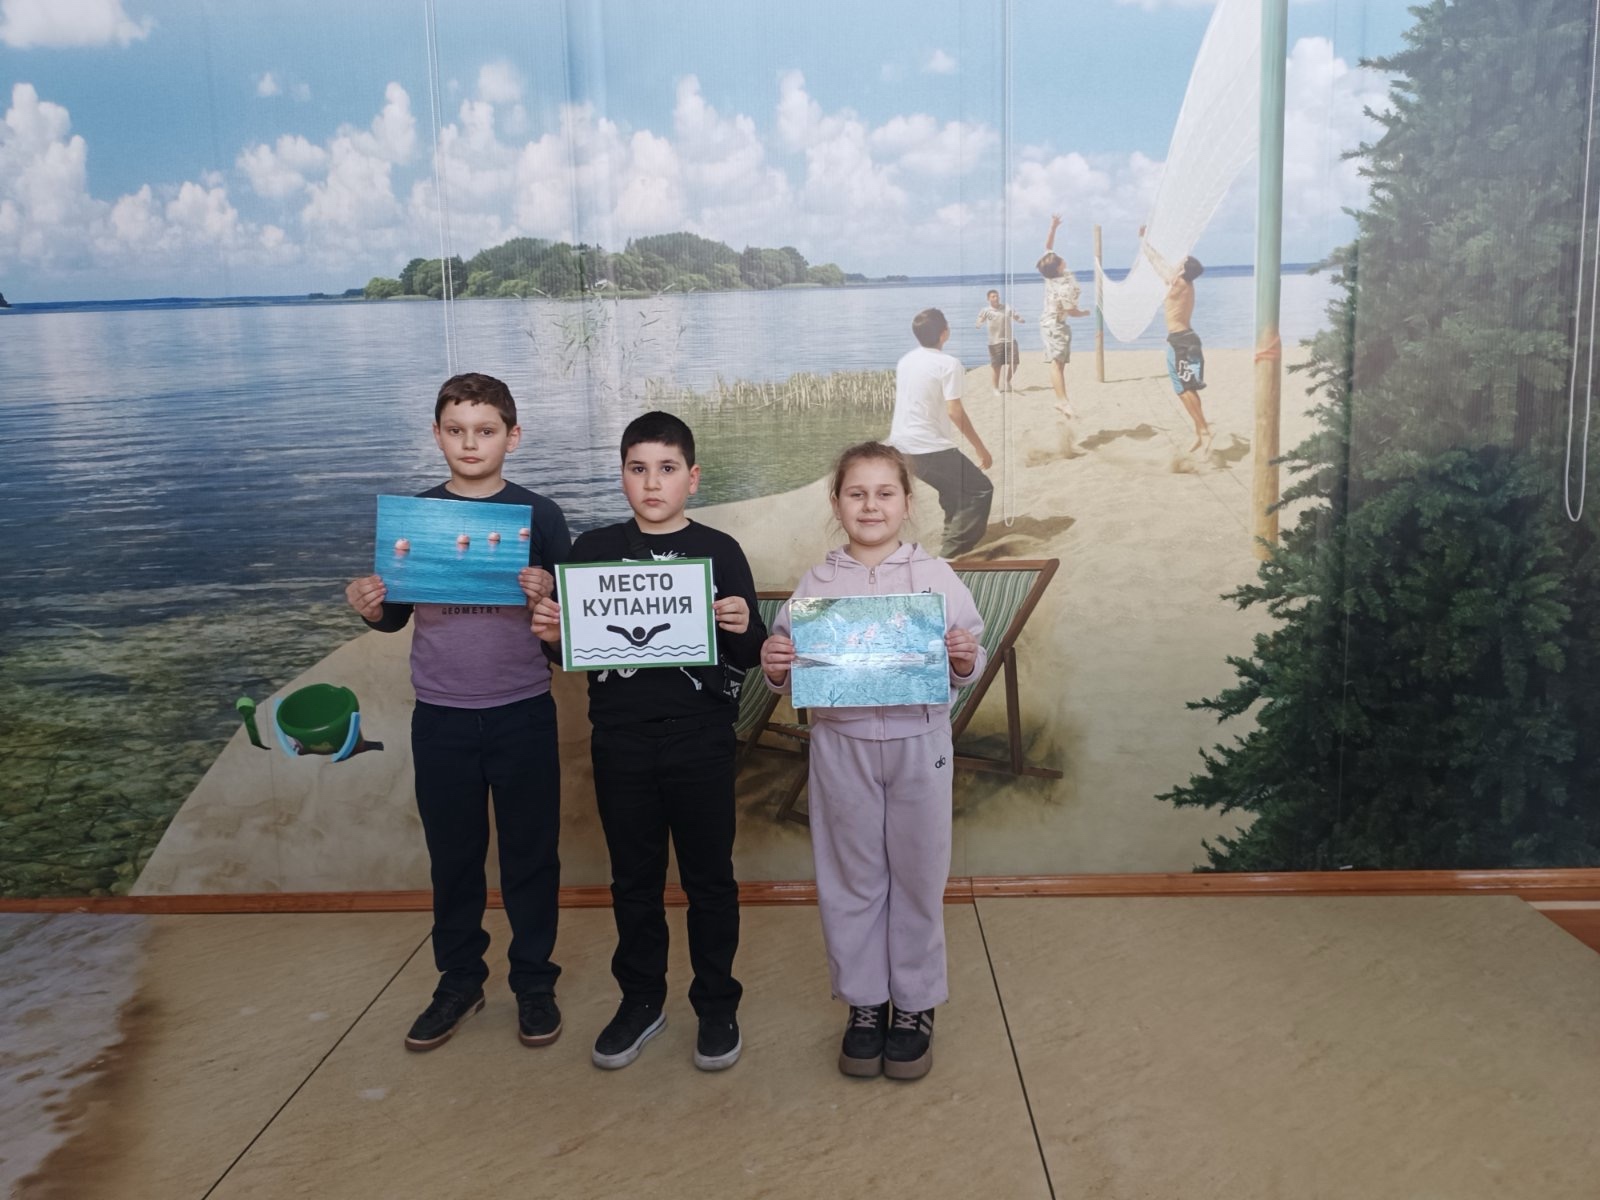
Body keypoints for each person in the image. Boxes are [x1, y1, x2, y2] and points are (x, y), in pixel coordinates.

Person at [529, 411, 766, 1073]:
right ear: (623, 476)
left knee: (710, 879)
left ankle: (716, 1002)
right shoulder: (593, 549)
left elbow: (751, 651)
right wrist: (550, 635)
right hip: (621, 741)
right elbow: (570, 653)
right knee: (634, 880)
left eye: (666, 469)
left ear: (692, 478)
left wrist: (743, 623)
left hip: (702, 739)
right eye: (638, 469)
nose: (652, 483)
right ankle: (641, 1000)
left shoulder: (720, 550)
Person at [345, 372, 571, 1053]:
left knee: (531, 856)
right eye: (456, 430)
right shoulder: (417, 517)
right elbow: (395, 614)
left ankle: (533, 981)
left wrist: (548, 595)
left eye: (486, 430)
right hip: (441, 716)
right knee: (454, 858)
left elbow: (570, 635)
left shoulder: (541, 516)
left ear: (512, 437)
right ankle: (460, 981)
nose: (471, 443)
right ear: (437, 435)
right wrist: (371, 605)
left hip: (522, 711)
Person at [759, 441, 985, 1081]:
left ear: (907, 503)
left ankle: (914, 1003)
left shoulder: (938, 576)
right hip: (842, 748)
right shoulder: (817, 583)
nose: (870, 505)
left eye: (885, 493)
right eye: (856, 493)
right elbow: (787, 662)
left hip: (921, 744)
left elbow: (971, 656)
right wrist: (775, 665)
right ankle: (864, 1001)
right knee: (851, 877)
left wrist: (964, 657)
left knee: (918, 874)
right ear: (836, 503)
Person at [888, 308, 994, 559]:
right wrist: (980, 448)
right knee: (980, 489)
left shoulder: (905, 360)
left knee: (953, 490)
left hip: (900, 447)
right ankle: (950, 555)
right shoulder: (949, 364)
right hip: (927, 447)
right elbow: (955, 411)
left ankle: (952, 538)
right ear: (944, 333)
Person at [1140, 224, 1213, 454]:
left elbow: (1157, 263)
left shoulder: (1178, 282)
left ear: (1182, 270)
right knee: (1184, 389)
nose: (1177, 264)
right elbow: (1170, 263)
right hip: (1184, 340)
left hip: (1182, 342)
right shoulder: (1188, 283)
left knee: (1185, 388)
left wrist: (1145, 242)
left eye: (1181, 263)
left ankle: (1204, 430)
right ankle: (1199, 431)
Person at [1037, 214, 1091, 418]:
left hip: (1051, 324)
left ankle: (1062, 401)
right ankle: (1061, 401)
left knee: (1059, 364)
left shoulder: (1050, 274)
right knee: (1056, 363)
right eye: (1060, 260)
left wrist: (1053, 227)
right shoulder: (1063, 286)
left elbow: (1048, 246)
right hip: (1054, 325)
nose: (1062, 259)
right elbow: (1072, 312)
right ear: (1059, 266)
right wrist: (1085, 312)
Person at [975, 288, 1024, 391]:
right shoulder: (986, 311)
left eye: (997, 296)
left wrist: (1020, 320)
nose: (996, 298)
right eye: (993, 296)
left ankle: (1007, 381)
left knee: (1014, 363)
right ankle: (996, 388)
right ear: (988, 299)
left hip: (1010, 340)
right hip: (995, 342)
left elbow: (1016, 316)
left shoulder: (1006, 307)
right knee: (997, 367)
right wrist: (979, 323)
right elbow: (978, 322)